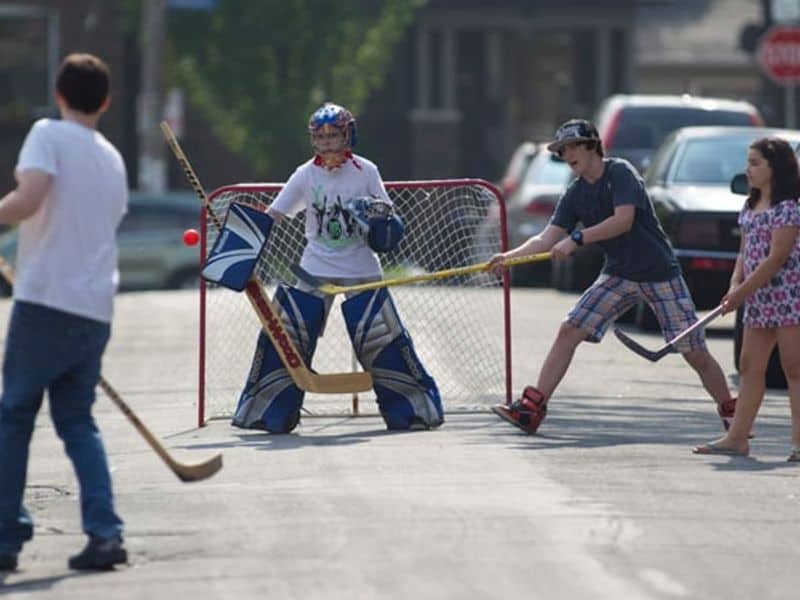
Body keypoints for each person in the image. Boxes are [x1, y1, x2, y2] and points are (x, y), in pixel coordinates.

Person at [490, 118, 736, 435]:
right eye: (562, 151)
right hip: (619, 273)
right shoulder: (575, 193)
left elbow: (623, 221)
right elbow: (546, 238)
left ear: (593, 145)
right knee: (569, 330)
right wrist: (507, 258)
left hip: (658, 272)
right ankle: (533, 409)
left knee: (695, 352)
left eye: (573, 147)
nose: (567, 155)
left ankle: (732, 413)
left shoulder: (619, 172)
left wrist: (577, 239)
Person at [230, 102, 443, 433]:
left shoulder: (366, 171)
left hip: (361, 266)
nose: (327, 142)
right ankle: (267, 410)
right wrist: (241, 238)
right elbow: (274, 213)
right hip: (315, 265)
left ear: (348, 135)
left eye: (334, 135)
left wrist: (374, 216)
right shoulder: (305, 174)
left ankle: (412, 410)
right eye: (321, 136)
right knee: (289, 335)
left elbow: (388, 215)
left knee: (380, 336)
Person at [0, 53, 128, 571]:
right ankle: (105, 533)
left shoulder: (48, 135)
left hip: (46, 299)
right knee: (77, 421)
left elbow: (29, 200)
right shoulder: (112, 157)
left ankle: (6, 536)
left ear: (58, 95)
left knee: (13, 417)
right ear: (105, 101)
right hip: (94, 307)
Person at [693, 137, 800, 460]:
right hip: (758, 298)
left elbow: (777, 257)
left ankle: (798, 443)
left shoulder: (789, 208)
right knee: (750, 366)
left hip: (788, 296)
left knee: (795, 368)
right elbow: (745, 252)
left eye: (755, 163)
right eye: (748, 162)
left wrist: (743, 291)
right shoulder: (750, 205)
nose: (748, 170)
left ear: (775, 168)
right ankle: (737, 437)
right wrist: (734, 283)